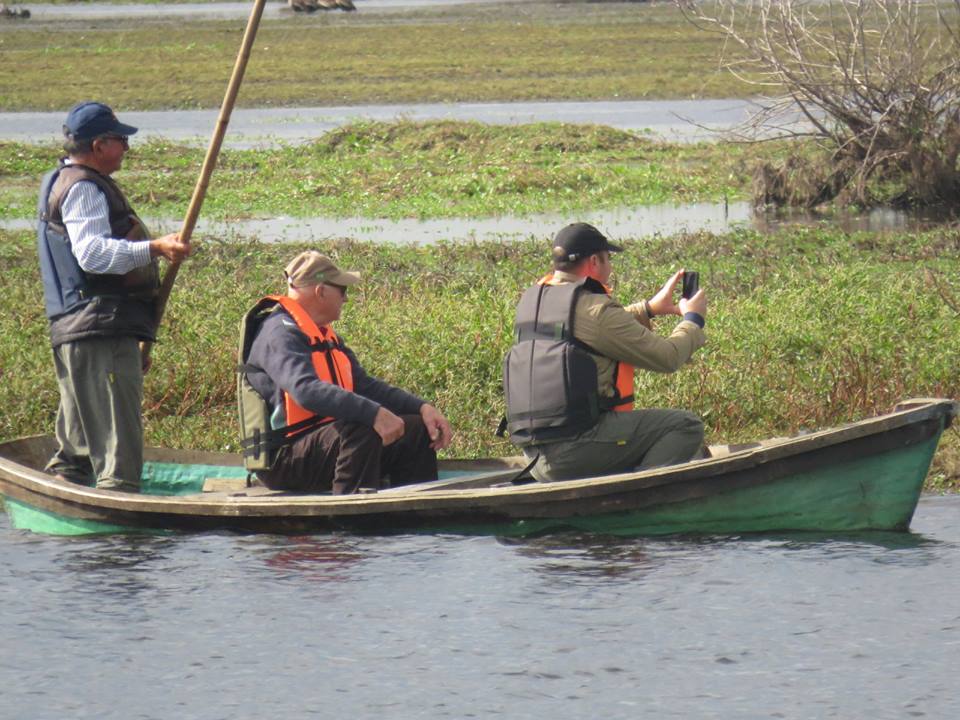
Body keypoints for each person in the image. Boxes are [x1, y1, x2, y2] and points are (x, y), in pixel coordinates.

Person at [37, 101, 191, 492]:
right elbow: (93, 254)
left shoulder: (62, 179)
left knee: (78, 439)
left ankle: (70, 503)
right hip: (98, 325)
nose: (126, 149)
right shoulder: (84, 187)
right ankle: (120, 524)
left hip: (81, 325)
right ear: (100, 144)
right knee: (116, 444)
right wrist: (154, 248)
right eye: (121, 140)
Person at [502, 222, 707, 481]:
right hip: (576, 451)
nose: (610, 266)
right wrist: (693, 320)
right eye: (608, 258)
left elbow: (583, 331)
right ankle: (640, 498)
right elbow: (667, 357)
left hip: (533, 454)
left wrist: (649, 309)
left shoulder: (533, 301)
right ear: (594, 261)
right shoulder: (594, 308)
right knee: (685, 426)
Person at [238, 251, 453, 494]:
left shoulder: (323, 334)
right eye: (342, 291)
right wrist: (374, 414)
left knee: (415, 429)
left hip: (325, 444)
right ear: (321, 291)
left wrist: (422, 407)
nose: (345, 299)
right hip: (286, 460)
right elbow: (305, 390)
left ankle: (416, 518)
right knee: (362, 428)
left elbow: (364, 385)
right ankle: (347, 524)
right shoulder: (279, 333)